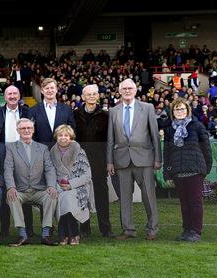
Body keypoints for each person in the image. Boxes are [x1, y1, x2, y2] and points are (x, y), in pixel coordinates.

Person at [107, 78, 161, 240]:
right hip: (121, 159)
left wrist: (158, 158)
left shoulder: (148, 108)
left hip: (144, 159)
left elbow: (154, 135)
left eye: (130, 88)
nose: (127, 91)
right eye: (124, 88)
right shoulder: (113, 111)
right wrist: (109, 161)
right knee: (124, 197)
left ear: (136, 90)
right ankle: (128, 230)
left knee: (148, 196)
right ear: (120, 91)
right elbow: (111, 138)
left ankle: (152, 229)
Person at [163, 98, 212, 242]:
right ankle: (187, 230)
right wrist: (167, 170)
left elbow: (206, 148)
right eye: (177, 109)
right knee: (184, 202)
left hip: (195, 169)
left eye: (182, 109)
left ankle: (196, 231)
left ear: (188, 110)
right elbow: (167, 152)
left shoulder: (197, 125)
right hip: (178, 170)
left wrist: (206, 167)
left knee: (195, 201)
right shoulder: (169, 129)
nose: (180, 111)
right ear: (173, 112)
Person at [4, 118, 58, 246]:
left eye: (29, 128)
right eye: (23, 128)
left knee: (52, 195)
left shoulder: (43, 148)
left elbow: (49, 169)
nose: (26, 130)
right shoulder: (11, 147)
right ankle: (22, 235)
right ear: (18, 130)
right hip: (20, 190)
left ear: (33, 130)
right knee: (12, 197)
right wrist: (11, 187)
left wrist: (51, 185)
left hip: (39, 189)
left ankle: (45, 234)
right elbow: (8, 169)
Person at [0, 85, 34, 237]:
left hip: (23, 155)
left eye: (15, 93)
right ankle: (4, 229)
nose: (12, 96)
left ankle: (29, 229)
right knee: (5, 192)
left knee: (26, 190)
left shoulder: (27, 112)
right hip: (3, 156)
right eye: (9, 93)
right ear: (4, 96)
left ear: (19, 95)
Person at [73, 84, 114, 237]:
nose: (91, 96)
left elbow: (110, 141)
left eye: (94, 94)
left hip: (99, 161)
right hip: (80, 162)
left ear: (98, 96)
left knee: (101, 196)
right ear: (82, 97)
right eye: (88, 94)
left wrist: (108, 161)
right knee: (83, 196)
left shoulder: (106, 115)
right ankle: (85, 228)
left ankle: (105, 228)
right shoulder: (75, 115)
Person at [50, 125, 93, 245]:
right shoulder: (52, 152)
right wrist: (57, 185)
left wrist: (71, 184)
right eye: (60, 135)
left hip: (78, 186)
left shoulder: (79, 151)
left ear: (71, 137)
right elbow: (50, 172)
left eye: (66, 135)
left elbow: (87, 175)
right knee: (62, 197)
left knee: (68, 198)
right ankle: (70, 234)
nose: (63, 138)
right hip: (59, 185)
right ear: (56, 137)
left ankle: (68, 234)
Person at [30, 78, 76, 147]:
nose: (50, 90)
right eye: (47, 88)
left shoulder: (67, 109)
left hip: (62, 151)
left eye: (52, 88)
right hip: (40, 152)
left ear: (56, 90)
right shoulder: (33, 110)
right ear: (42, 91)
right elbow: (31, 133)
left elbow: (72, 131)